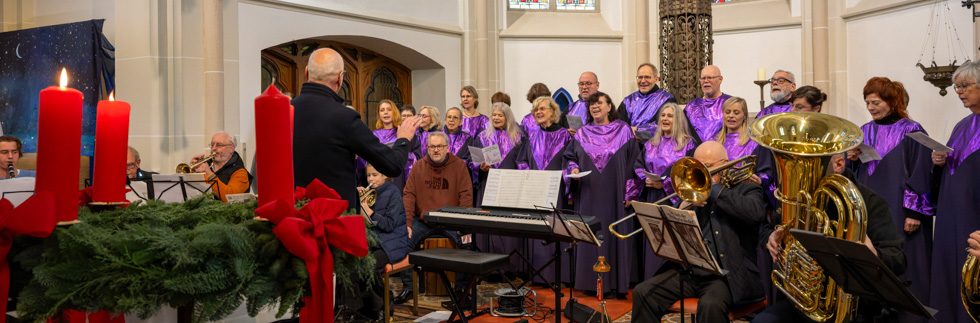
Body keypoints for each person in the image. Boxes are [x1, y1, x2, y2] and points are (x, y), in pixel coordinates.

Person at [754, 152, 906, 323]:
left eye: (810, 165)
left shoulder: (870, 202)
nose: (802, 173)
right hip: (798, 300)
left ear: (839, 165)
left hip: (848, 309)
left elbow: (898, 258)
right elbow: (768, 228)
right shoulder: (800, 196)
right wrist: (770, 238)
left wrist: (873, 254)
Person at [631, 141, 766, 323]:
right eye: (699, 166)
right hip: (691, 272)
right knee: (643, 292)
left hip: (727, 276)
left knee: (711, 305)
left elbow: (754, 213)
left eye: (708, 167)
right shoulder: (693, 193)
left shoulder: (747, 188)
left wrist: (715, 190)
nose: (703, 171)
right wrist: (682, 207)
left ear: (724, 164)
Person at [843, 77, 933, 322]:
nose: (871, 108)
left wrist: (915, 212)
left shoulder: (912, 129)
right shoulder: (864, 130)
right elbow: (856, 172)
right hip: (873, 207)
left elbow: (922, 169)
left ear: (892, 102)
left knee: (906, 261)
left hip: (902, 209)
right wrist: (850, 157)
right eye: (867, 103)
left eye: (876, 102)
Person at [292, 48, 419, 210]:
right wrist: (403, 139)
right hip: (335, 219)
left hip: (292, 217)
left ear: (306, 72)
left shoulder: (284, 112)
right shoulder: (345, 118)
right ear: (340, 78)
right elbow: (392, 166)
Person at [564, 91, 641, 297]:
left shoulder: (623, 130)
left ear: (609, 106)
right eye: (591, 104)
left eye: (599, 103)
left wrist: (631, 191)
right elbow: (570, 157)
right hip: (588, 194)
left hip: (616, 196)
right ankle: (590, 283)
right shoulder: (582, 133)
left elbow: (635, 162)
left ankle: (616, 283)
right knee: (592, 234)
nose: (595, 106)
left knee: (613, 233)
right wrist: (572, 170)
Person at [928, 60, 980, 323]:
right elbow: (953, 163)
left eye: (964, 86)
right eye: (957, 86)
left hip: (974, 213)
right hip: (951, 212)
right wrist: (939, 161)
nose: (959, 91)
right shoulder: (962, 124)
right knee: (950, 272)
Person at [396, 131, 474, 305]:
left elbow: (466, 197)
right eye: (432, 147)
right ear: (427, 148)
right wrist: (407, 224)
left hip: (452, 220)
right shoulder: (418, 167)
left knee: (467, 241)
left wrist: (463, 223)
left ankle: (462, 290)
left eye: (440, 146)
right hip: (424, 220)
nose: (436, 150)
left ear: (448, 147)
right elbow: (408, 196)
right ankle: (409, 287)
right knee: (402, 240)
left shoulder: (459, 165)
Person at [339, 164, 412, 321]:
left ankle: (382, 307)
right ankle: (355, 309)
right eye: (368, 175)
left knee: (370, 266)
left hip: (392, 242)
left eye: (375, 175)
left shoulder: (393, 193)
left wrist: (370, 212)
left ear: (385, 176)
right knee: (348, 263)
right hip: (373, 241)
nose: (370, 179)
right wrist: (357, 201)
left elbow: (389, 225)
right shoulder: (368, 192)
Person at [632, 102, 695, 279]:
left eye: (670, 116)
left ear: (678, 120)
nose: (665, 119)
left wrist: (665, 184)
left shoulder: (688, 145)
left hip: (674, 200)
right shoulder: (651, 143)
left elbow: (689, 174)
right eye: (663, 115)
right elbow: (638, 166)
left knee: (672, 243)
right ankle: (650, 281)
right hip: (652, 197)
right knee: (654, 240)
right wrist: (647, 179)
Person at [516, 96, 574, 283]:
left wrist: (564, 178)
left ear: (553, 111)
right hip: (536, 190)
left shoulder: (565, 135)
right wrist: (531, 175)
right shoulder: (531, 136)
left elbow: (570, 160)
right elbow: (521, 161)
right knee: (538, 231)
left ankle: (560, 276)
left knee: (556, 231)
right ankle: (538, 276)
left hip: (557, 191)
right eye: (535, 110)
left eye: (542, 109)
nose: (538, 113)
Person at [356, 99, 413, 192]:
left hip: (398, 175)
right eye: (382, 110)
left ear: (394, 112)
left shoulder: (402, 132)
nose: (385, 112)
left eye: (389, 109)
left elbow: (413, 153)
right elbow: (365, 159)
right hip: (377, 175)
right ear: (379, 115)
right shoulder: (373, 135)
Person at [191, 132, 253, 202]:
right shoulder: (207, 164)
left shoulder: (240, 172)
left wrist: (208, 173)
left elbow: (229, 198)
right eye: (212, 145)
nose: (213, 149)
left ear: (231, 148)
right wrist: (192, 172)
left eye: (219, 145)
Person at [618, 63, 676, 135]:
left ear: (656, 79)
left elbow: (665, 126)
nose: (643, 81)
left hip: (656, 144)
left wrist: (638, 130)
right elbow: (619, 127)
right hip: (631, 144)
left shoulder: (667, 99)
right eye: (640, 77)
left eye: (647, 77)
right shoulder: (628, 101)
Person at [686, 65, 731, 143]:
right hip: (695, 153)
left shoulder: (730, 103)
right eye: (703, 78)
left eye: (710, 78)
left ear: (720, 79)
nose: (706, 81)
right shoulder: (691, 106)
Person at [560, 71, 600, 135]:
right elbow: (560, 130)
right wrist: (566, 133)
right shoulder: (570, 108)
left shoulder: (603, 107)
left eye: (588, 83)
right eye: (581, 84)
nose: (584, 87)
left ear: (597, 85)